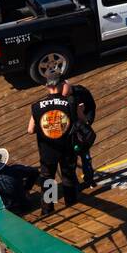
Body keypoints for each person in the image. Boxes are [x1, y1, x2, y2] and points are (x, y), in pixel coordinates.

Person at [26, 74, 80, 216]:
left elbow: (30, 130)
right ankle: (70, 201)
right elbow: (83, 121)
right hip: (67, 147)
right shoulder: (70, 103)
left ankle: (48, 209)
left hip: (47, 148)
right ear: (62, 84)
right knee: (68, 174)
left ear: (47, 86)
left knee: (48, 177)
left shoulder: (36, 106)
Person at [62, 78, 98, 187]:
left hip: (80, 129)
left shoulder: (81, 92)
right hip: (67, 132)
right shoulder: (58, 98)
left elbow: (91, 106)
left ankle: (89, 178)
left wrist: (87, 121)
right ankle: (74, 185)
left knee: (86, 156)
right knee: (70, 161)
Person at [0, 149, 40, 213]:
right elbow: (34, 172)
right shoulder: (15, 169)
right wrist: (27, 188)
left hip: (6, 211)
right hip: (24, 206)